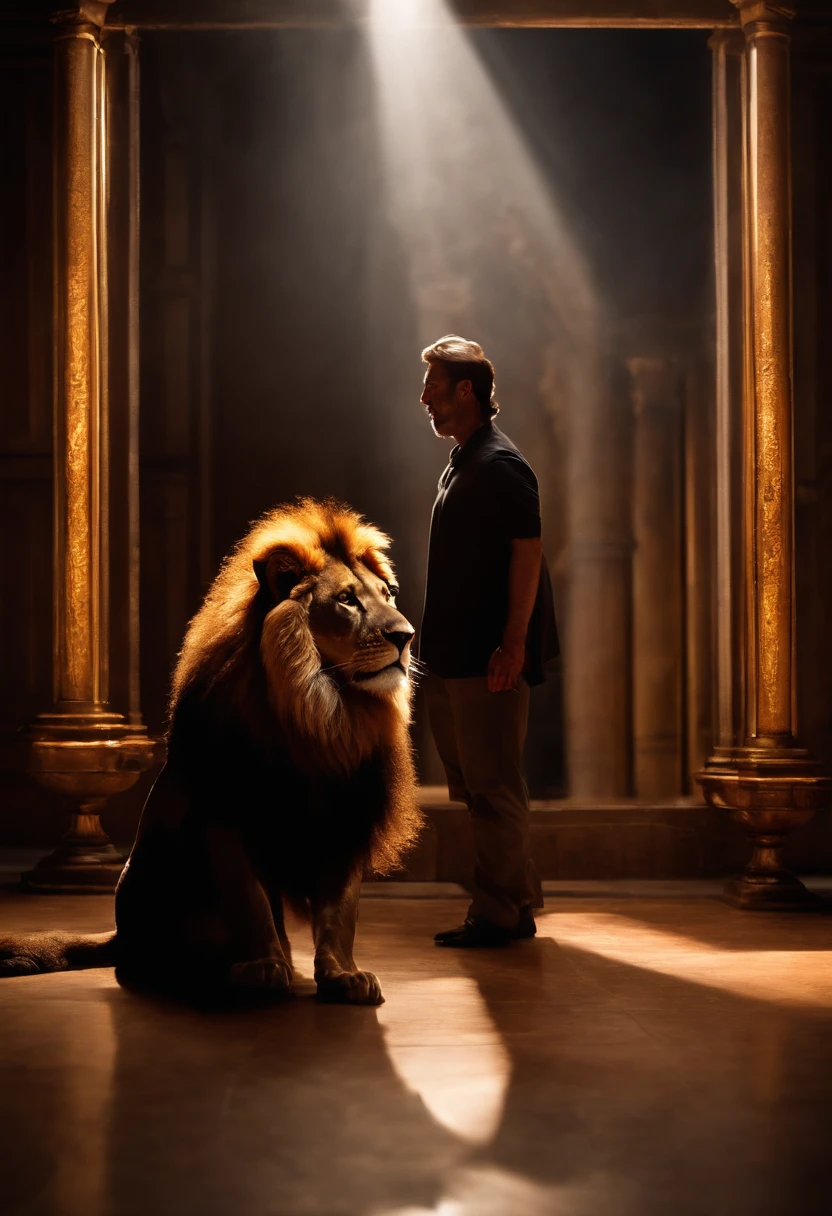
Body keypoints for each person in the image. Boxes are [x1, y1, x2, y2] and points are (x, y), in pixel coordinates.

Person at [419, 335, 558, 948]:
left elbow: (527, 556)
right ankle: (516, 896)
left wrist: (513, 645)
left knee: (494, 784)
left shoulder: (501, 465)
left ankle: (500, 911)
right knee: (480, 785)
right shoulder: (462, 460)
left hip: (488, 659)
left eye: (435, 386)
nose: (425, 398)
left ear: (466, 391)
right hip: (453, 658)